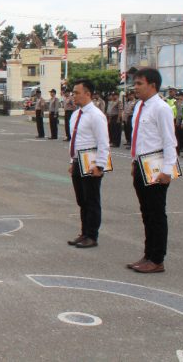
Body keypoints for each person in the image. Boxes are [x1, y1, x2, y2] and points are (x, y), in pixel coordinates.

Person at [128, 67, 177, 273]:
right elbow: (140, 139)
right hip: (141, 165)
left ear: (153, 85)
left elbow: (169, 141)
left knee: (156, 214)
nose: (135, 87)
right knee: (146, 213)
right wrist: (134, 162)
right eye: (135, 83)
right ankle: (148, 254)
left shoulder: (161, 108)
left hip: (156, 167)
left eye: (140, 83)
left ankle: (157, 259)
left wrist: (167, 170)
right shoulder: (140, 107)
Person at [66, 79, 110, 249]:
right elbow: (75, 141)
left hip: (91, 162)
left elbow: (103, 142)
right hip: (79, 161)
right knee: (82, 200)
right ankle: (84, 232)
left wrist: (100, 166)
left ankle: (92, 235)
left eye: (77, 93)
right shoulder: (76, 114)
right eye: (73, 93)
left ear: (88, 94)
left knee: (92, 200)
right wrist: (72, 161)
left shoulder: (96, 115)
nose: (74, 96)